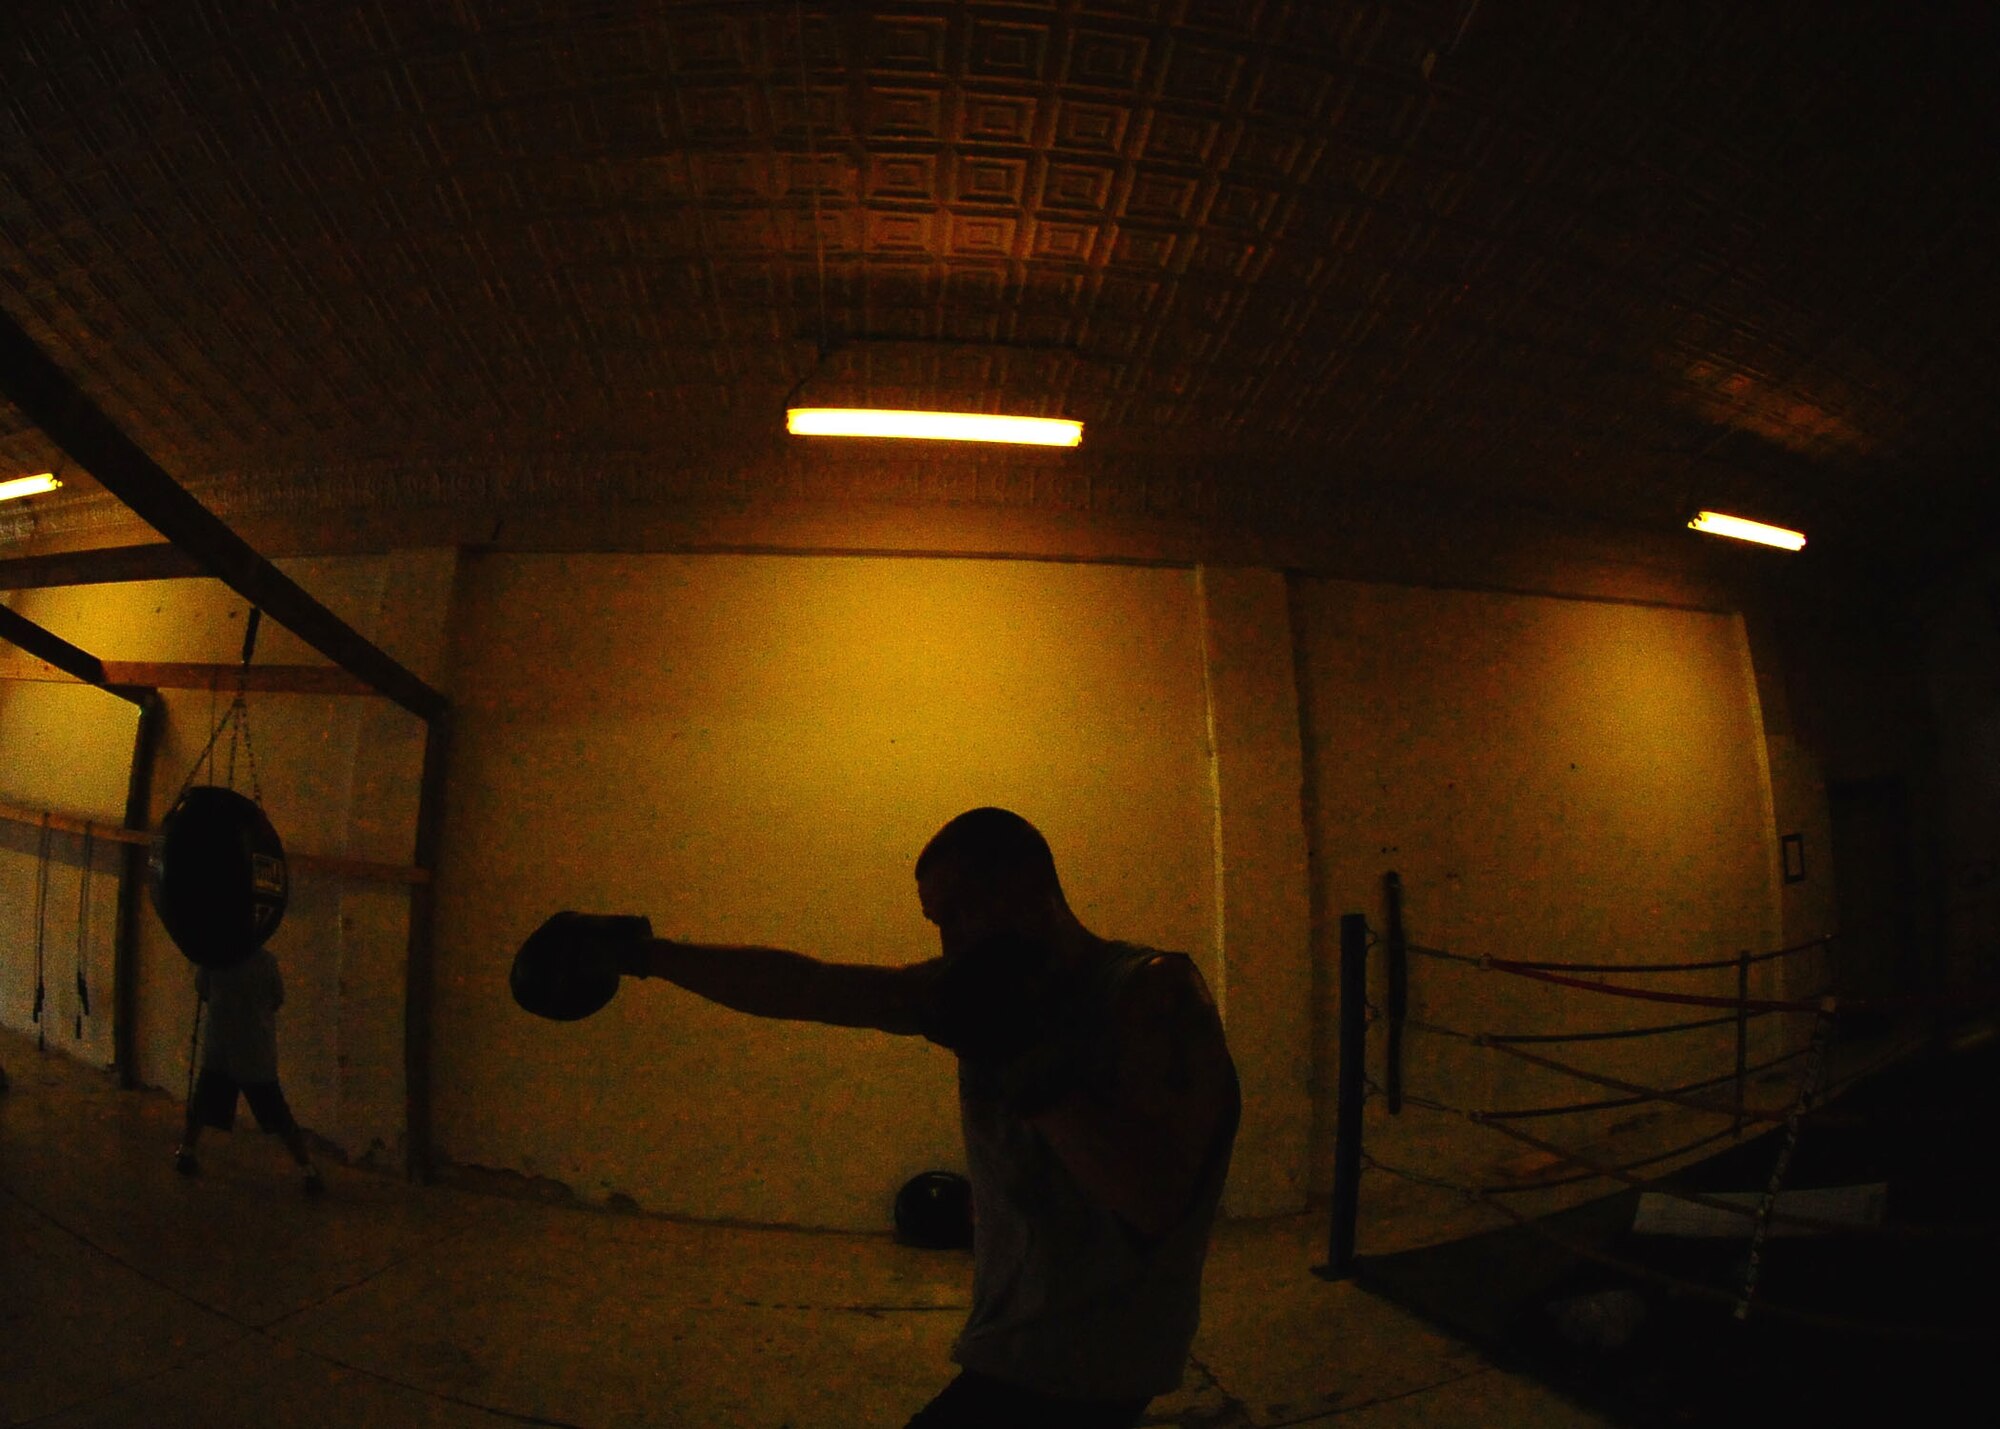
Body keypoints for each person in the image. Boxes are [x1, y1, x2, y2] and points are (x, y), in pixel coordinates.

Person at [516, 807, 1240, 1428]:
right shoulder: (975, 989)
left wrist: (1027, 1061)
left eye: (963, 910)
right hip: (1025, 1349)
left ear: (1030, 884)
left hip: (1082, 1363)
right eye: (938, 922)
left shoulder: (1148, 991)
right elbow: (812, 987)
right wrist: (645, 956)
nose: (952, 940)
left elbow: (1154, 1198)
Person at [173, 943, 324, 1197]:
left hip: (220, 1047)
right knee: (278, 1113)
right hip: (255, 1050)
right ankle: (307, 1170)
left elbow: (203, 991)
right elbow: (276, 998)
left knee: (202, 1102)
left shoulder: (213, 958)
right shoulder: (265, 961)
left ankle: (186, 1152)